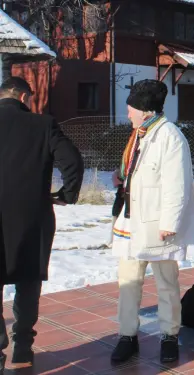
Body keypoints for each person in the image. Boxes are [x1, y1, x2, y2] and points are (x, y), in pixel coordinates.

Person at [110, 79, 194, 364]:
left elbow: (178, 185)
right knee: (129, 280)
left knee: (166, 283)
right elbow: (136, 167)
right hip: (131, 220)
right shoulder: (140, 133)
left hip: (159, 225)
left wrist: (169, 223)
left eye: (131, 110)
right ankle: (127, 336)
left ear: (146, 111)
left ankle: (169, 336)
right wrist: (121, 175)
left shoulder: (170, 136)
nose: (128, 115)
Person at [0, 77, 83, 371]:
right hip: (31, 216)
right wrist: (67, 193)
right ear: (24, 97)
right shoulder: (43, 124)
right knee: (28, 280)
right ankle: (23, 346)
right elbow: (71, 159)